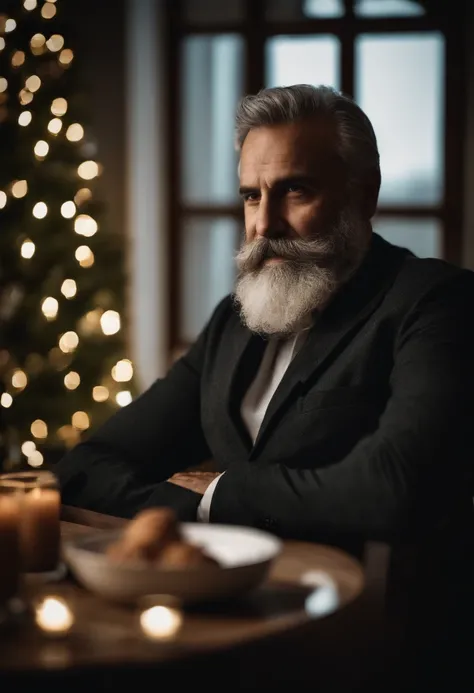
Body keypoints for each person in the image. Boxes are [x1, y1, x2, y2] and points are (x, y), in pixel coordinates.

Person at [56, 84, 474, 685]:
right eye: (251, 195)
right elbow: (90, 465)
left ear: (366, 194)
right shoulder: (235, 318)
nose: (264, 224)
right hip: (219, 633)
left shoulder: (434, 303)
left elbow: (392, 489)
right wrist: (192, 513)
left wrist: (218, 496)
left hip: (374, 647)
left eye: (295, 190)